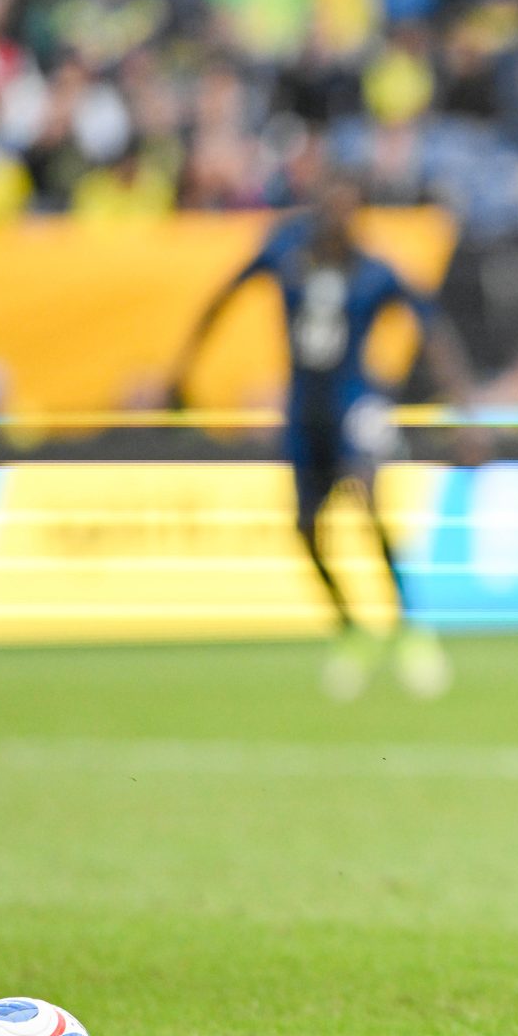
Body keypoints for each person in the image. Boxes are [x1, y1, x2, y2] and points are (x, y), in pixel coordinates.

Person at [166, 167, 477, 701]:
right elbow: (222, 297)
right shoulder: (285, 256)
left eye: (348, 207)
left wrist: (464, 416)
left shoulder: (374, 272)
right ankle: (351, 629)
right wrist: (181, 372)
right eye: (330, 205)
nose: (338, 218)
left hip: (356, 403)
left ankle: (407, 629)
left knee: (367, 499)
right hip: (303, 410)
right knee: (305, 528)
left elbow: (433, 328)